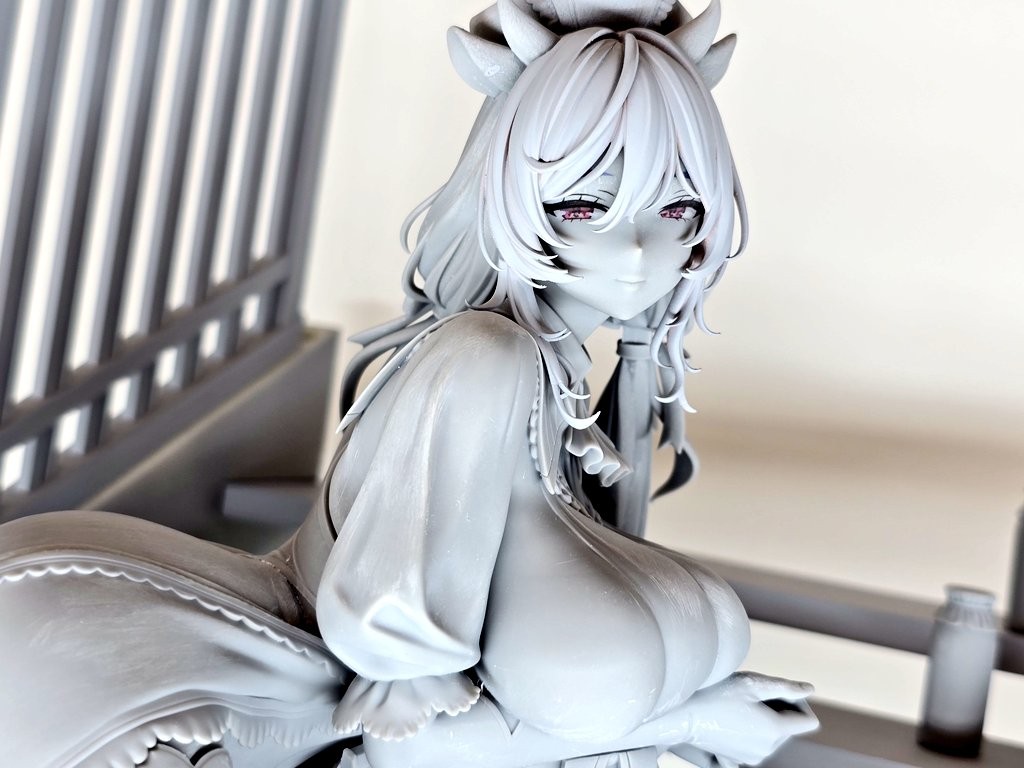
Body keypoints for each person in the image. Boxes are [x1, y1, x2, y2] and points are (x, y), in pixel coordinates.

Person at [0, 2, 815, 767]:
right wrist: (694, 721)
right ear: (509, 191)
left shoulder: (550, 383)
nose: (635, 249)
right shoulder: (483, 362)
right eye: (581, 206)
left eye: (675, 210)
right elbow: (404, 747)